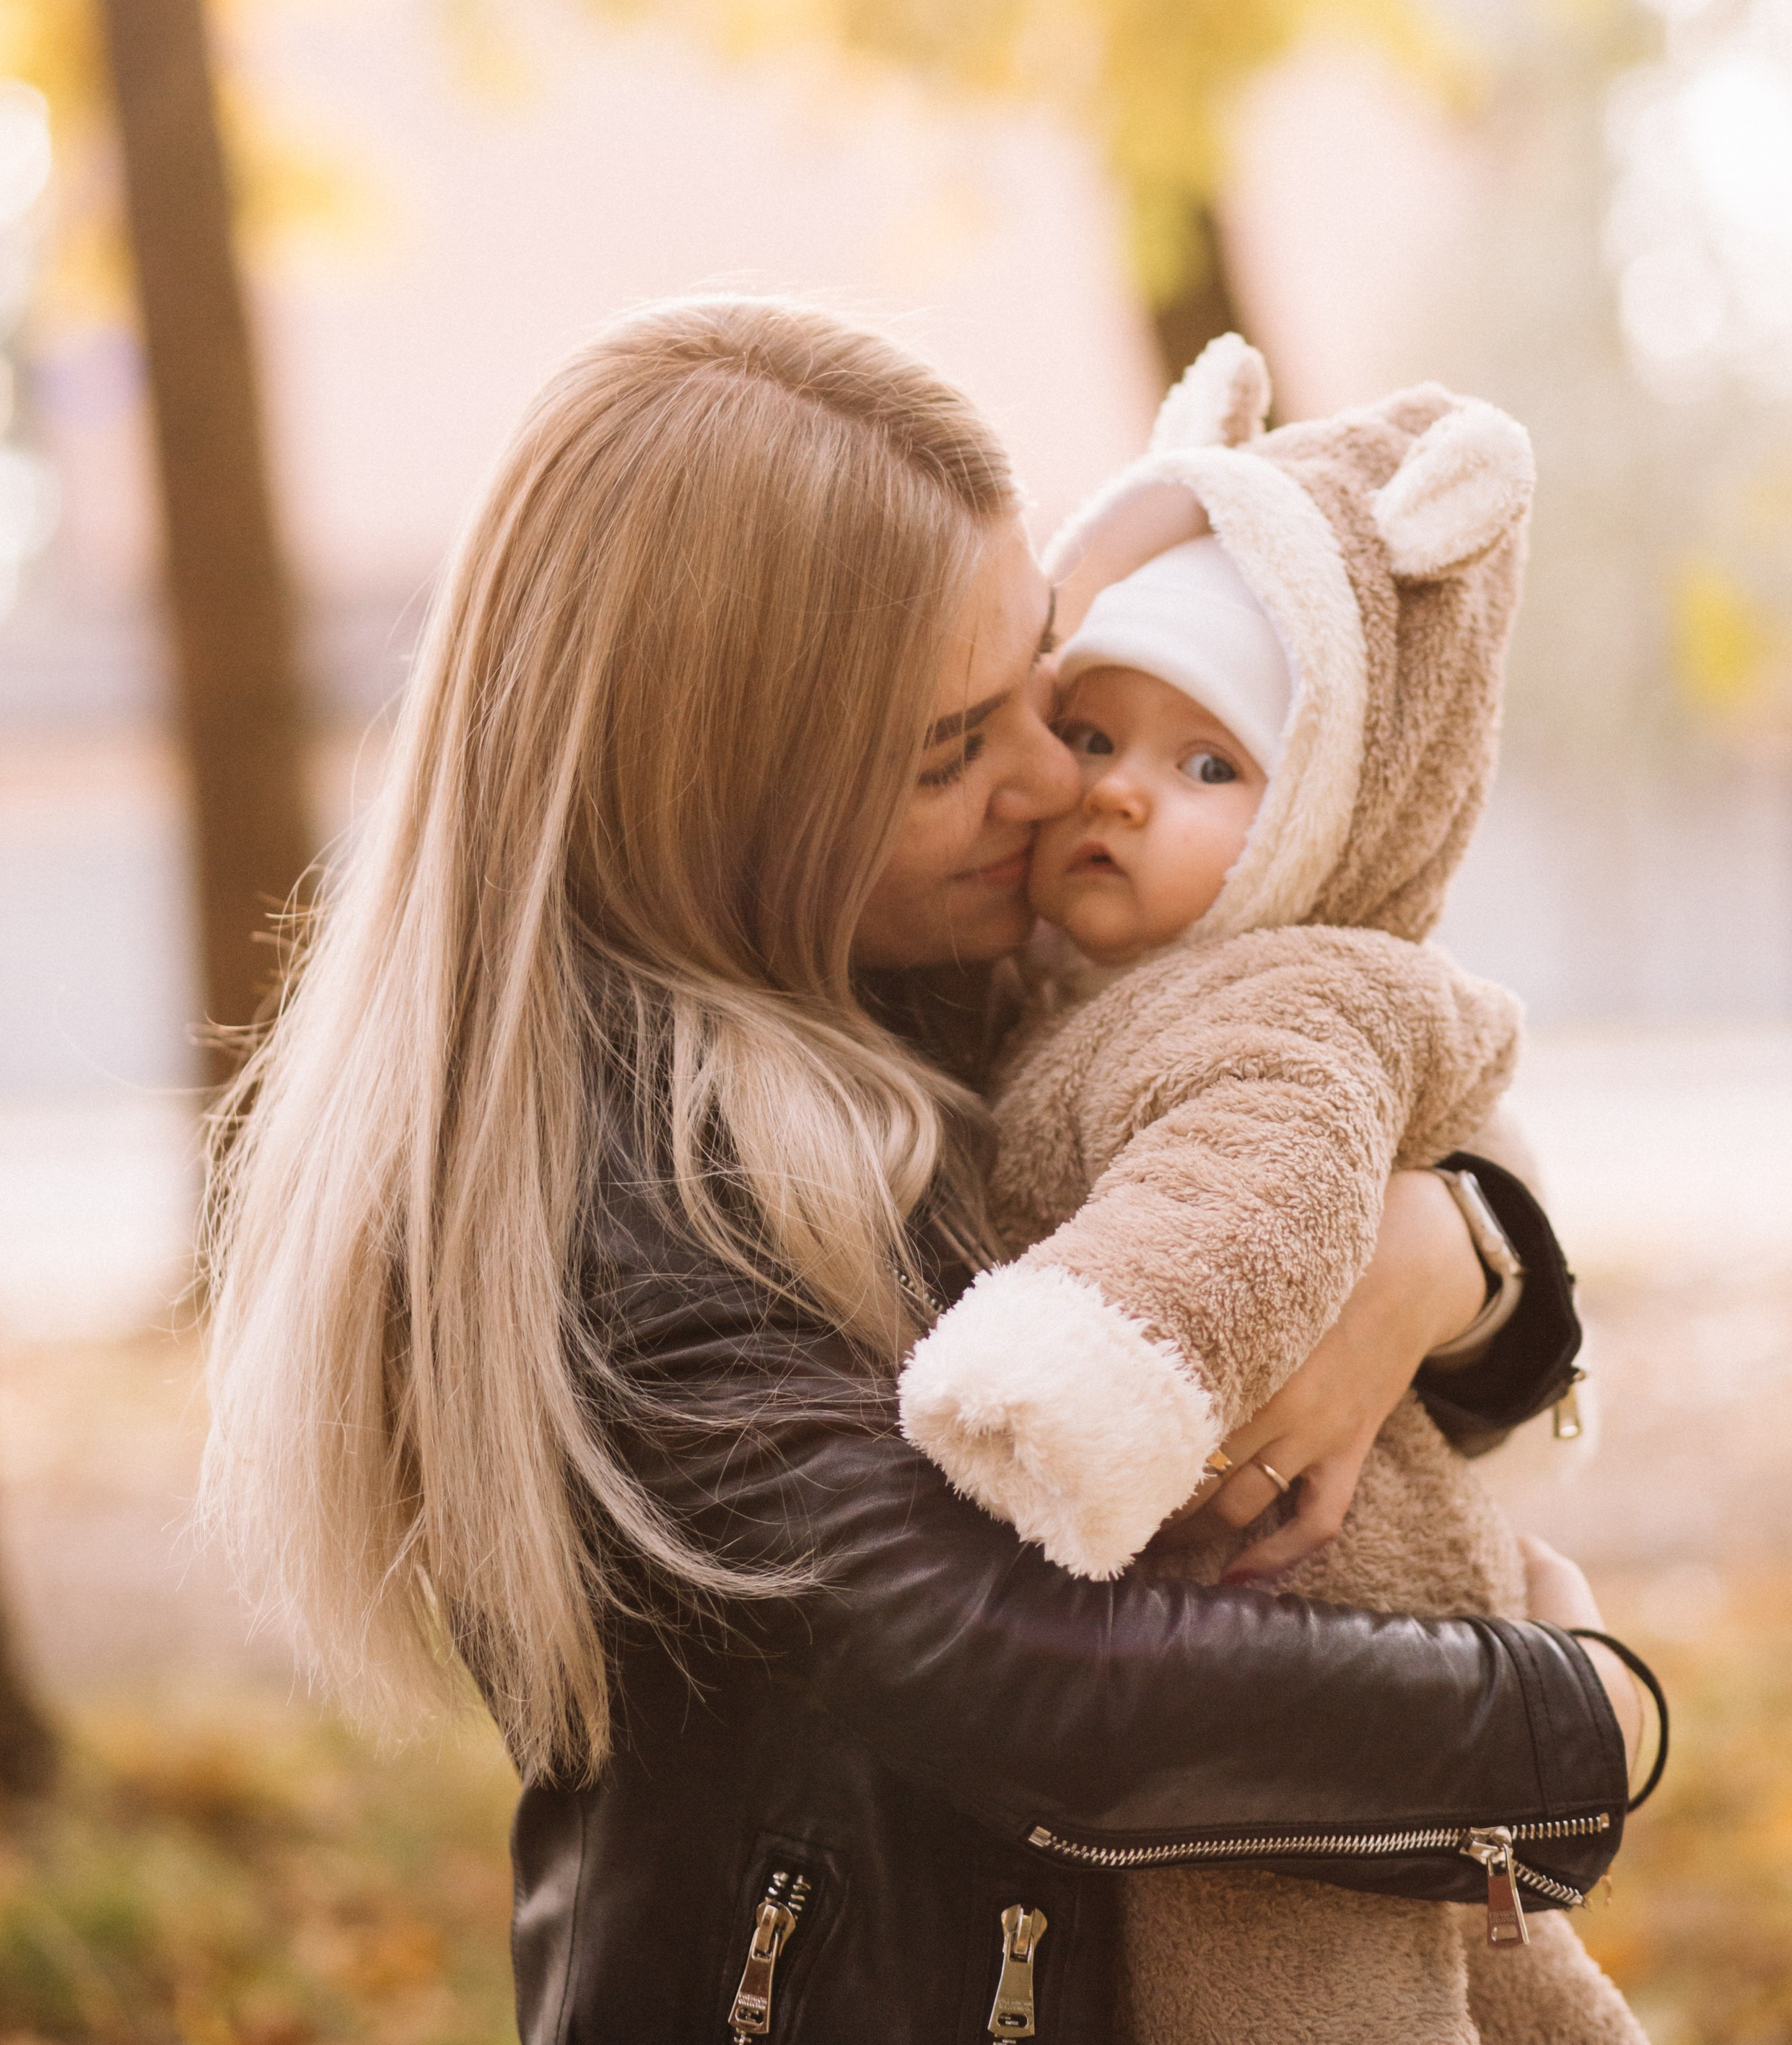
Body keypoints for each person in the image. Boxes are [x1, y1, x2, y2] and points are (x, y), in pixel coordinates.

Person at [201, 298, 1647, 2044]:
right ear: (738, 807)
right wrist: (1569, 1725)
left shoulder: (954, 984)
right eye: (953, 748)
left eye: (1039, 666)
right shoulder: (620, 1194)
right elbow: (1011, 1672)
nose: (1056, 778)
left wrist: (1444, 1247)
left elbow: (1353, 1183)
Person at [900, 334, 1650, 2044]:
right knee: (1491, 1971)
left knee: (1306, 1987)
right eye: (1087, 727)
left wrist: (1090, 1371)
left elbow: (1245, 1189)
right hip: (1250, 1664)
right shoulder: (1051, 992)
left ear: (1324, 812)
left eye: (1209, 767)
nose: (1109, 788)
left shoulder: (1271, 996)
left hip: (1302, 1608)